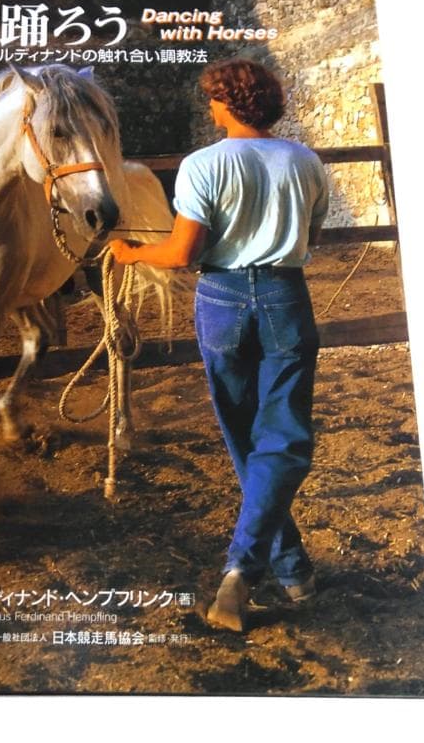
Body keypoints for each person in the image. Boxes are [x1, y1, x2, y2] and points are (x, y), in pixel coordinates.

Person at [108, 58, 328, 632]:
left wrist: (131, 254)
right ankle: (289, 567)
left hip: (222, 299)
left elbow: (182, 253)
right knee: (282, 438)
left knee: (244, 434)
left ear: (227, 105)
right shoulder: (305, 161)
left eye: (213, 98)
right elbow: (312, 236)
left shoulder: (203, 164)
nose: (210, 107)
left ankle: (244, 570)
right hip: (285, 294)